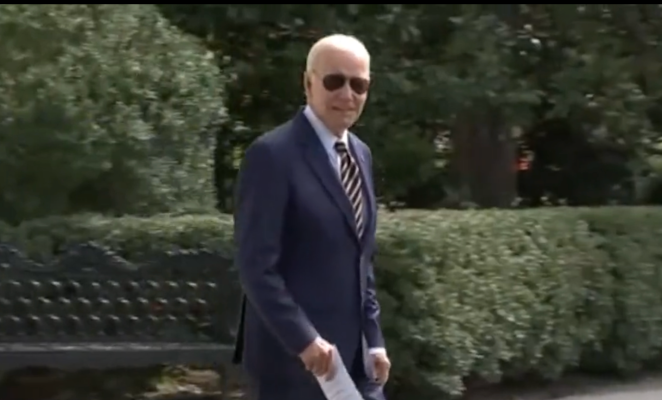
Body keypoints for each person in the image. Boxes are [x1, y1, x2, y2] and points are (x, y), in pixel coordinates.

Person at [232, 34, 390, 400]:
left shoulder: (361, 154)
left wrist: (374, 340)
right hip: (293, 363)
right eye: (334, 81)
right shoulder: (271, 155)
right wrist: (304, 340)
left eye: (359, 85)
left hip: (355, 362)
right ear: (308, 83)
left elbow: (361, 259)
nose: (347, 94)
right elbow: (256, 266)